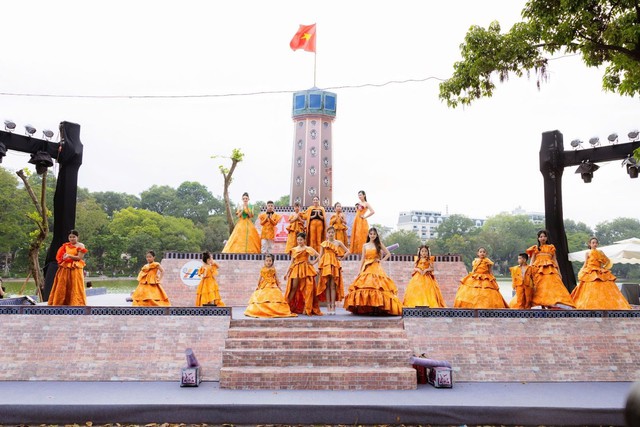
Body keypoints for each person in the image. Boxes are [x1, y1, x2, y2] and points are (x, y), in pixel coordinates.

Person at [343, 227, 403, 315]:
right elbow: (362, 259)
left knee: (377, 286)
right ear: (369, 235)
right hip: (367, 267)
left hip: (376, 267)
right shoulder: (365, 245)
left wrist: (381, 261)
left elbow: (388, 254)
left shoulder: (379, 244)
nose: (372, 235)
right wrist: (360, 270)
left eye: (374, 234)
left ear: (376, 235)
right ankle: (369, 308)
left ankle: (377, 308)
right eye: (371, 234)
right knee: (366, 286)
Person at [570, 237, 631, 310]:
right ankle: (590, 304)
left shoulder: (600, 252)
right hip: (590, 272)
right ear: (590, 244)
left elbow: (607, 261)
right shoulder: (587, 253)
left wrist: (603, 267)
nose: (595, 244)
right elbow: (585, 263)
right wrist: (582, 270)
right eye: (593, 243)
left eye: (596, 243)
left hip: (599, 271)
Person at [527, 230, 576, 309]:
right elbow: (532, 261)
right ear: (538, 238)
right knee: (539, 286)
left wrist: (559, 272)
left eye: (544, 236)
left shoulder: (551, 247)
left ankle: (552, 303)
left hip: (550, 269)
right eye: (541, 237)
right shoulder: (535, 248)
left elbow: (555, 260)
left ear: (547, 238)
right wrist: (529, 272)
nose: (543, 238)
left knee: (552, 286)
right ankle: (541, 304)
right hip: (538, 269)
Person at [244, 254, 297, 318]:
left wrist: (279, 286)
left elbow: (276, 278)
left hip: (272, 285)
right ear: (264, 261)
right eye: (267, 261)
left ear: (272, 262)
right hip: (264, 285)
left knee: (274, 296)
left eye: (270, 261)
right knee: (261, 296)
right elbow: (260, 278)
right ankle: (261, 311)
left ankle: (274, 310)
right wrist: (258, 286)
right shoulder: (262, 269)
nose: (268, 262)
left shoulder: (273, 269)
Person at [284, 232, 322, 316]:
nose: (299, 241)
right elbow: (291, 263)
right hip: (296, 269)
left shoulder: (308, 248)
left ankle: (307, 307)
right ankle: (287, 306)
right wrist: (286, 273)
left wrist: (313, 263)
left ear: (304, 240)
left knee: (307, 289)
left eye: (301, 239)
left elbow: (319, 255)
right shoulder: (294, 249)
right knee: (293, 288)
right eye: (298, 239)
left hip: (306, 269)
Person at [48, 229, 88, 306]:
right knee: (62, 284)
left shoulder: (81, 246)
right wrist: (63, 258)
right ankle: (60, 302)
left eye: (74, 237)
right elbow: (60, 256)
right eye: (70, 237)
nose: (72, 238)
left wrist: (69, 256)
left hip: (75, 267)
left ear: (77, 237)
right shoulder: (65, 246)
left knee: (75, 285)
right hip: (65, 267)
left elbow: (79, 257)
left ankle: (76, 302)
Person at [317, 226, 350, 315]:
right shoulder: (324, 243)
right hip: (326, 265)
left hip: (335, 264)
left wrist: (342, 258)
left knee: (333, 286)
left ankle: (333, 306)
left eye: (332, 232)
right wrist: (319, 267)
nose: (330, 234)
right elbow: (320, 256)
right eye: (329, 232)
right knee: (327, 286)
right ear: (327, 234)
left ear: (334, 233)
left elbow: (348, 251)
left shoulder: (338, 242)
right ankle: (328, 306)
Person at [349, 190, 375, 255]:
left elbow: (372, 211)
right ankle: (355, 251)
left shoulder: (366, 203)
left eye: (360, 195)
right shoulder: (358, 203)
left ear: (364, 195)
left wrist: (365, 216)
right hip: (356, 220)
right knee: (356, 235)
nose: (359, 196)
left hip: (362, 220)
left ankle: (362, 251)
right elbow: (357, 211)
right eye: (358, 195)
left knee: (361, 235)